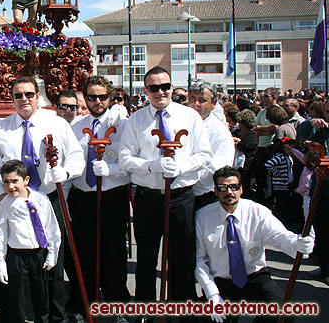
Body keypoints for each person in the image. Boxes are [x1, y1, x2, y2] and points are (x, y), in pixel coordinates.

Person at [0, 76, 84, 323]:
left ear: (38, 96)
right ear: (12, 98)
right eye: (18, 95)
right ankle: (12, 316)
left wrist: (67, 172)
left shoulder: (57, 123)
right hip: (15, 205)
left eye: (29, 94)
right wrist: (0, 194)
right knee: (15, 265)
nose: (24, 99)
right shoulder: (1, 129)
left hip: (49, 200)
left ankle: (56, 317)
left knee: (54, 264)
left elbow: (76, 157)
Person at [119, 66, 212, 322]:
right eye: (153, 88)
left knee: (182, 258)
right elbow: (125, 158)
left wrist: (182, 166)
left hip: (181, 196)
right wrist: (150, 165)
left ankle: (182, 311)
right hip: (148, 196)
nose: (160, 92)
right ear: (145, 91)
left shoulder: (189, 117)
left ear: (172, 87)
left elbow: (204, 154)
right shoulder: (136, 120)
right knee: (147, 258)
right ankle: (147, 312)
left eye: (164, 86)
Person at [195, 166, 314, 323]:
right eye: (223, 188)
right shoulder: (202, 217)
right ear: (216, 191)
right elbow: (199, 260)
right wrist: (213, 295)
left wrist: (298, 243)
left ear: (241, 189)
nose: (229, 192)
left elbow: (280, 236)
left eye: (234, 187)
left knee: (284, 313)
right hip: (222, 281)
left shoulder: (257, 211)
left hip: (255, 277)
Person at [69, 76, 130, 323]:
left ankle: (118, 305)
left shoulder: (122, 124)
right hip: (83, 195)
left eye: (102, 96)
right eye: (91, 97)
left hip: (112, 195)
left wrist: (112, 170)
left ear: (110, 97)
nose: (97, 101)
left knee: (114, 252)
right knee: (84, 253)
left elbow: (128, 160)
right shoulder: (76, 126)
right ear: (84, 97)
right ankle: (84, 303)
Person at [0, 159, 61, 323]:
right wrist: (0, 263)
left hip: (38, 254)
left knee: (41, 298)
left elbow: (52, 228)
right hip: (17, 256)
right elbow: (0, 234)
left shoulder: (41, 200)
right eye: (6, 182)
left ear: (26, 180)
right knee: (17, 300)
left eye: (15, 181)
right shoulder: (5, 204)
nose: (10, 187)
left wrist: (52, 253)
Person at [188, 80, 235, 211]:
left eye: (202, 100)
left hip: (204, 195)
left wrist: (185, 175)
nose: (196, 104)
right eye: (192, 99)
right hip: (181, 194)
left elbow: (217, 169)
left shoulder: (220, 133)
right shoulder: (181, 123)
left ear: (213, 104)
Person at [254, 88, 279, 205]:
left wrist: (262, 129)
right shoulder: (261, 112)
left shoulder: (278, 111)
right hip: (261, 146)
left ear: (274, 97)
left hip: (272, 147)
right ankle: (265, 199)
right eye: (263, 96)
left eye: (266, 96)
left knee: (272, 175)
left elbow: (274, 128)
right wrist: (265, 130)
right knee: (262, 175)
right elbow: (255, 128)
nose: (263, 98)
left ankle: (273, 200)